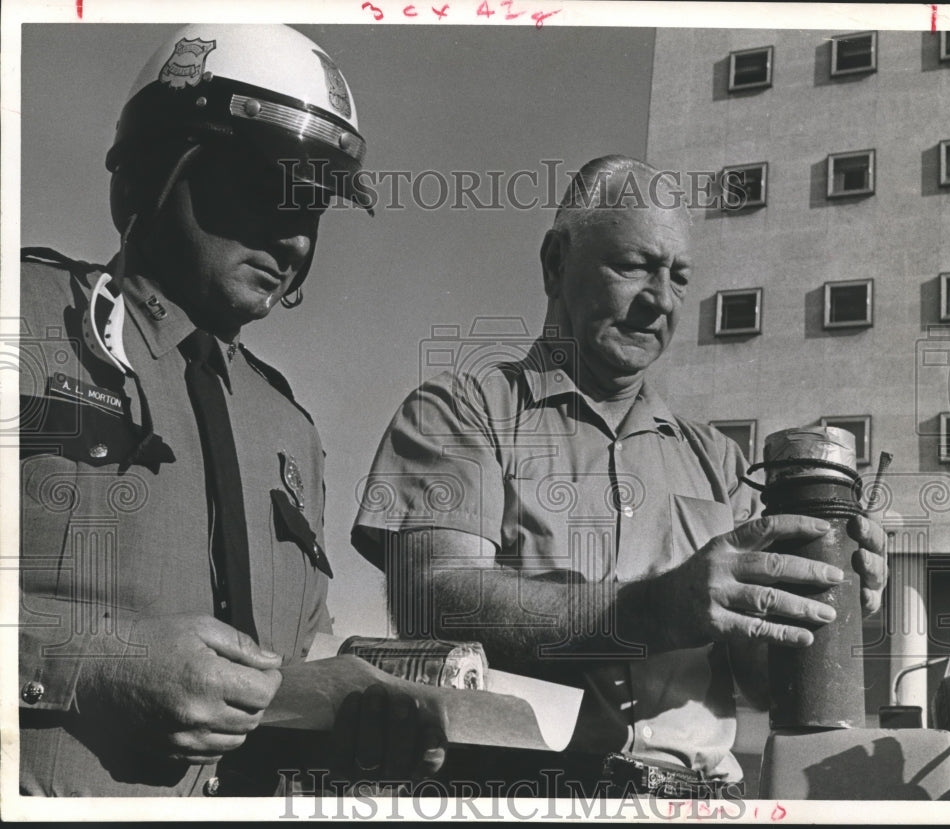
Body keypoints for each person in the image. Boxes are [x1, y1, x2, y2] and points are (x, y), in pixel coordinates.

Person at [351, 155, 888, 794]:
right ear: (555, 263)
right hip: (525, 796)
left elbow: (763, 681)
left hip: (701, 805)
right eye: (633, 266)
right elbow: (429, 601)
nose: (659, 301)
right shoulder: (460, 411)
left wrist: (834, 602)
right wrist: (651, 610)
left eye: (679, 278)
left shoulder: (720, 462)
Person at [18, 24, 444, 796]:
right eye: (268, 183)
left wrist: (352, 729)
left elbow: (289, 677)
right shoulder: (25, 318)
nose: (294, 238)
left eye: (313, 206)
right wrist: (92, 663)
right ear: (155, 169)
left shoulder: (292, 431)